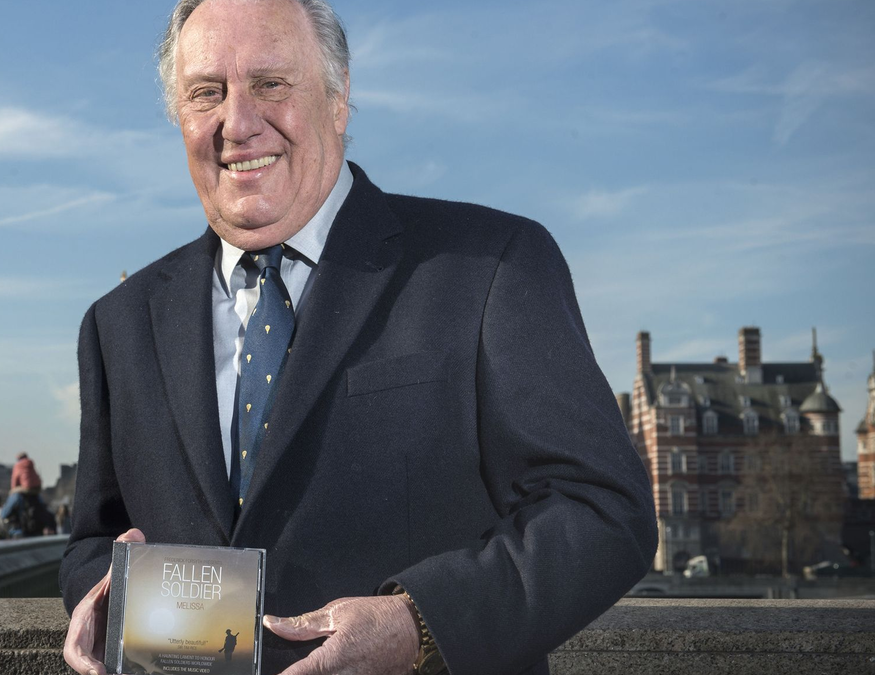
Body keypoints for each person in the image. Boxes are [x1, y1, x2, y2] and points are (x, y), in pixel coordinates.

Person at [60, 1, 657, 673]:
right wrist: (98, 597)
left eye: (270, 84)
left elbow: (604, 508)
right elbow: (94, 540)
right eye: (207, 93)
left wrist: (420, 622)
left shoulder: (494, 267)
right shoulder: (117, 324)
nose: (238, 121)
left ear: (338, 100)